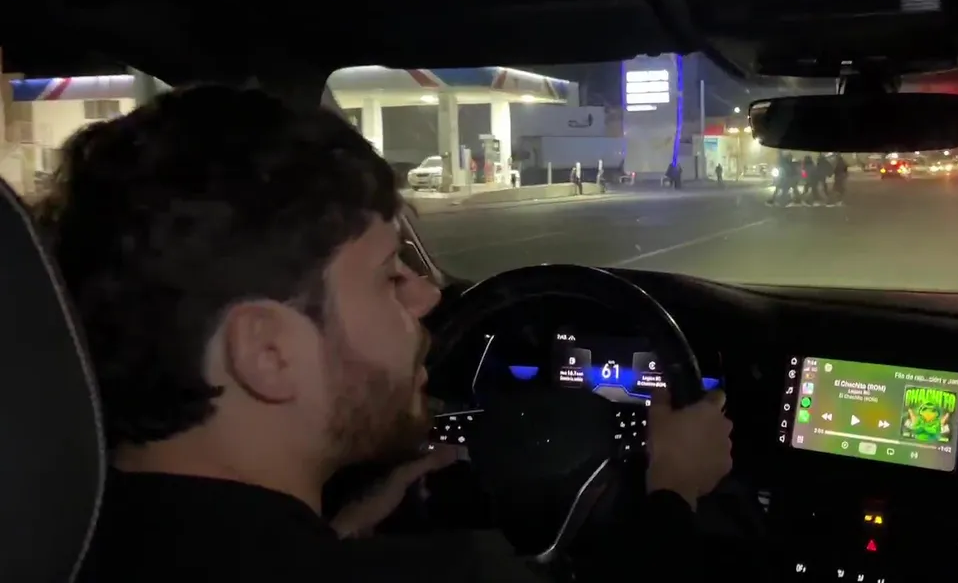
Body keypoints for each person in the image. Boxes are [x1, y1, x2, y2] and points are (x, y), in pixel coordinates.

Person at [35, 86, 734, 583]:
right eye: (386, 275)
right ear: (267, 353)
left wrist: (336, 535)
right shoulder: (455, 572)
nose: (428, 295)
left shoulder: (60, 540)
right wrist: (673, 492)